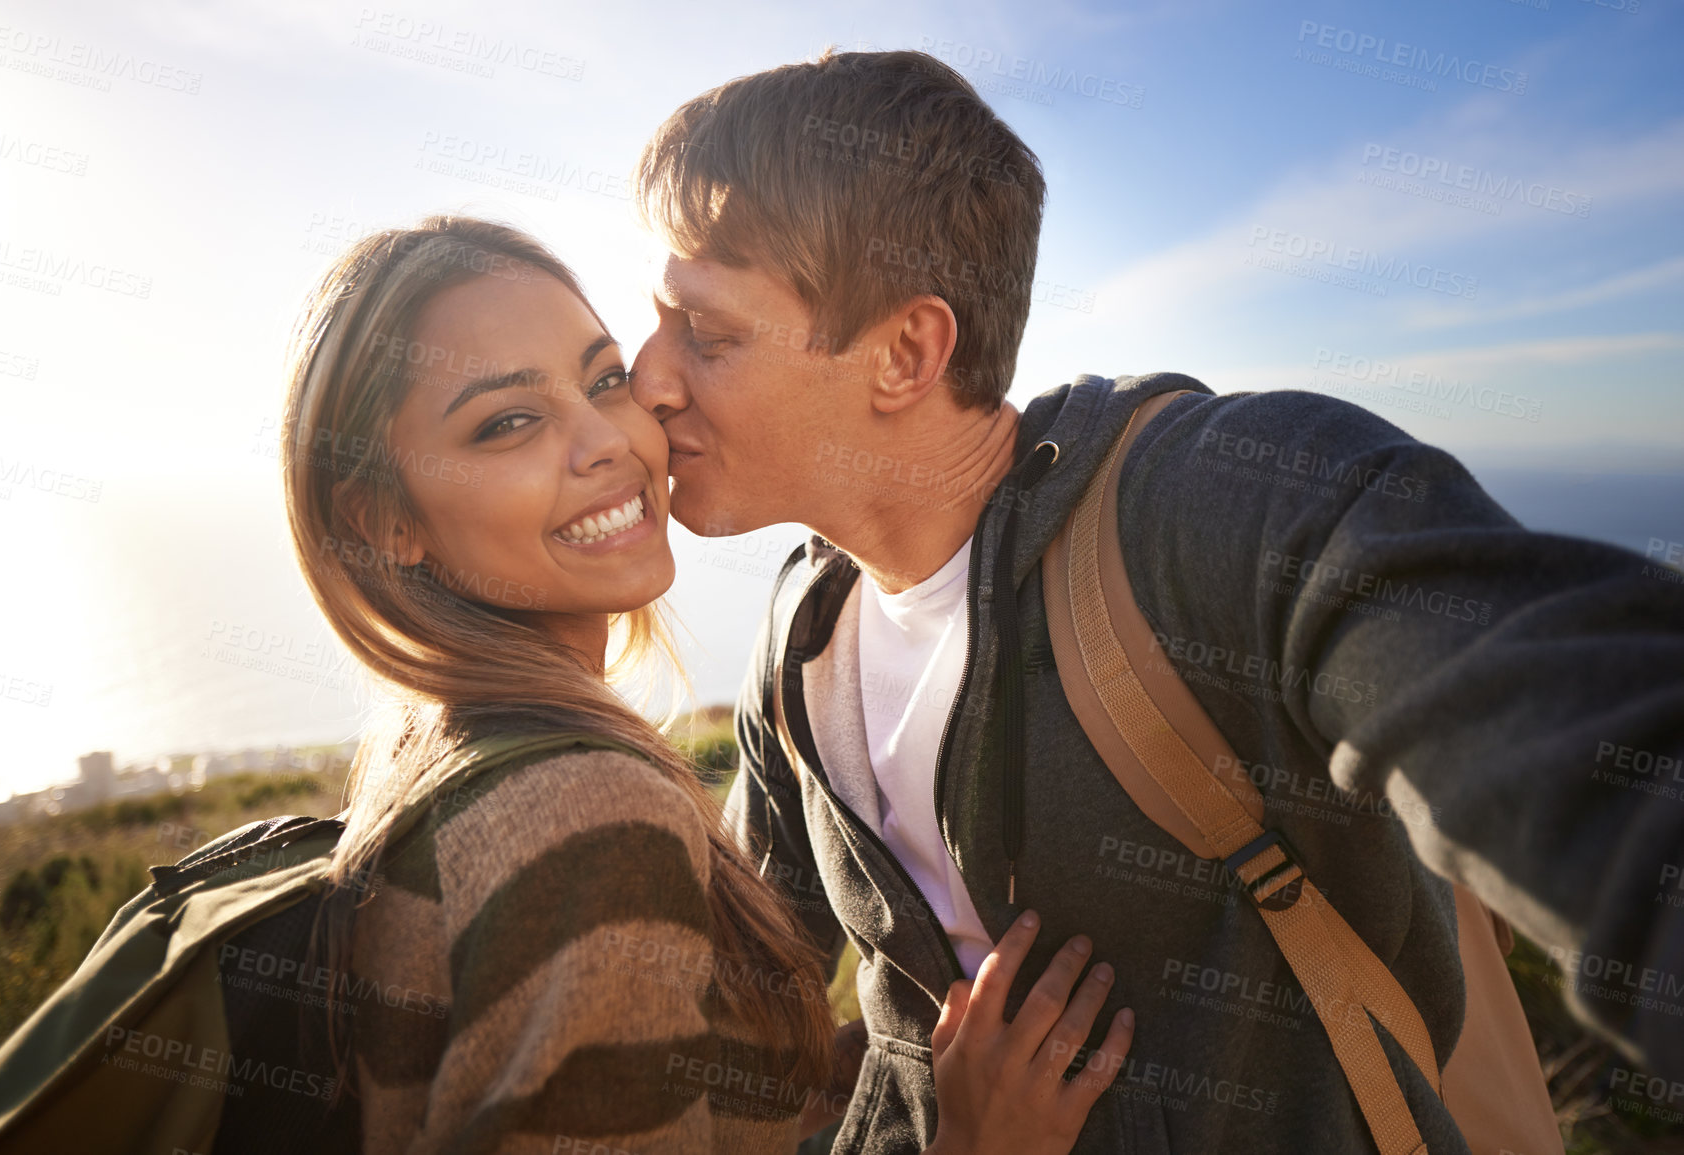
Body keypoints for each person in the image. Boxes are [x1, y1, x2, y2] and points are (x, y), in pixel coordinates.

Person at [626, 49, 1684, 1153]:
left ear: (907, 351)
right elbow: (738, 1028)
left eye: (706, 333)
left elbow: (1582, 737)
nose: (647, 378)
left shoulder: (1229, 499)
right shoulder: (800, 641)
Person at [277, 215, 1136, 1154]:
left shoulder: (431, 747)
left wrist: (881, 1066)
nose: (607, 438)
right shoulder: (581, 809)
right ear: (383, 519)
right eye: (508, 422)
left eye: (604, 379)